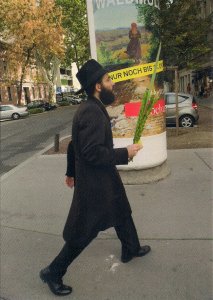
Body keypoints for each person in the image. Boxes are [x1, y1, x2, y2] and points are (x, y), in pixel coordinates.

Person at [39, 59, 151, 296]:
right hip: (95, 186)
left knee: (122, 211)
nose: (112, 83)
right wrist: (125, 153)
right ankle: (53, 271)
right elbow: (90, 152)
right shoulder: (90, 111)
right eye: (108, 80)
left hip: (104, 179)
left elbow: (73, 146)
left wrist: (70, 172)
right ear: (98, 86)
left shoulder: (92, 107)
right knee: (83, 232)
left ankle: (131, 248)